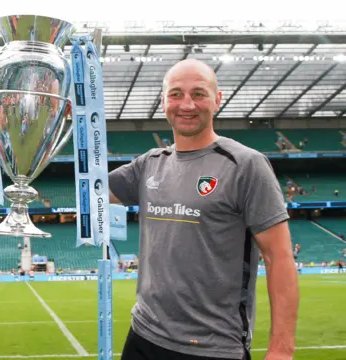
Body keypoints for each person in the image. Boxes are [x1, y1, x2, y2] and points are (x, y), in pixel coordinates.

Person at [108, 59, 299, 360]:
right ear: (163, 102)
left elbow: (280, 257)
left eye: (198, 93)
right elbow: (90, 192)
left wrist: (282, 350)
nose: (186, 104)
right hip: (143, 335)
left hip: (213, 347)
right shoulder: (149, 163)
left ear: (217, 99)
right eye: (176, 94)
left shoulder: (245, 164)